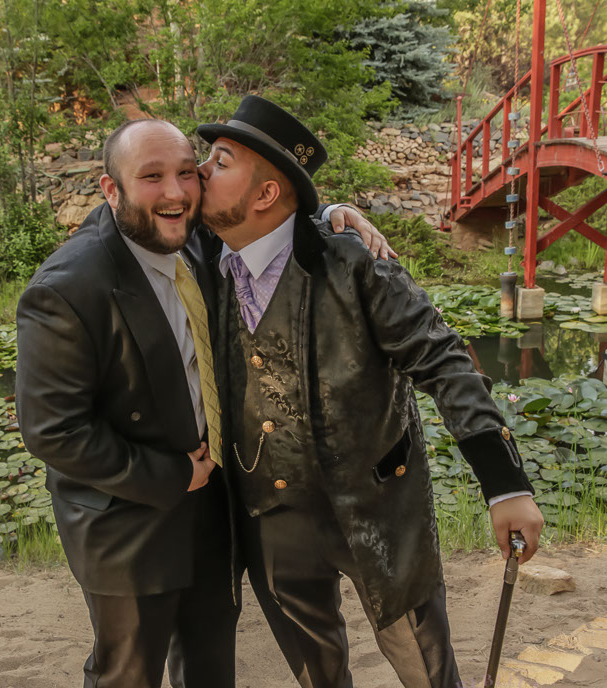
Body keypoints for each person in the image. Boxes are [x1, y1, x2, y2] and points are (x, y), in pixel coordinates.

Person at [15, 117, 388, 688]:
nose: (176, 192)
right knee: (126, 675)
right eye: (152, 177)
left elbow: (263, 215)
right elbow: (52, 431)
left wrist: (330, 213)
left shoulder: (195, 237)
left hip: (213, 512)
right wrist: (170, 476)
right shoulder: (66, 289)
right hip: (127, 526)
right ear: (111, 189)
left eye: (187, 173)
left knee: (210, 668)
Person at [196, 95, 545, 688]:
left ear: (265, 194)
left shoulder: (355, 264)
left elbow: (444, 360)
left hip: (375, 508)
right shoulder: (203, 258)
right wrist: (330, 205)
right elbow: (134, 209)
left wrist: (504, 482)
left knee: (424, 667)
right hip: (271, 519)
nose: (200, 170)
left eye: (220, 160)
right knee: (317, 675)